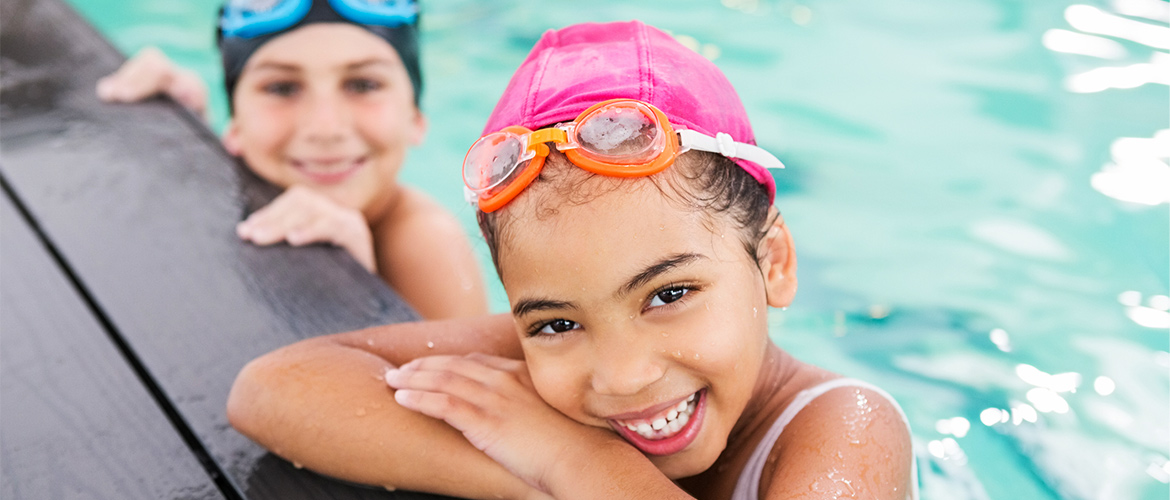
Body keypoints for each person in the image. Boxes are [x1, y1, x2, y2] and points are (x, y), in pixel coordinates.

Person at [227, 20, 917, 500]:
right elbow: (274, 389)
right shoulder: (555, 356)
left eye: (669, 294)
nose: (623, 375)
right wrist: (540, 474)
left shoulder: (848, 428)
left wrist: (572, 458)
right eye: (555, 323)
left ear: (774, 261)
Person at [96, 0, 488, 320]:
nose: (326, 127)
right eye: (282, 88)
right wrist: (185, 131)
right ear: (235, 126)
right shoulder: (248, 171)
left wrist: (358, 295)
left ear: (415, 119)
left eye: (363, 84)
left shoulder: (427, 242)